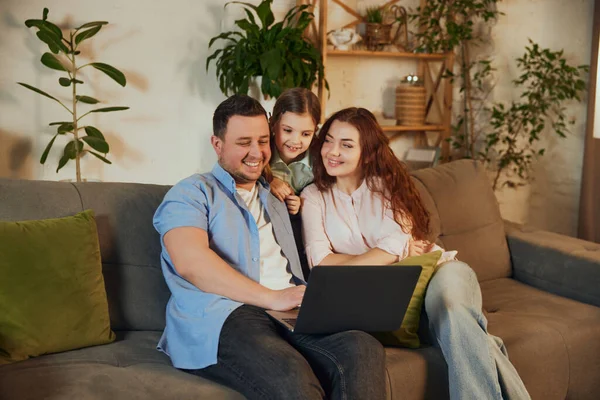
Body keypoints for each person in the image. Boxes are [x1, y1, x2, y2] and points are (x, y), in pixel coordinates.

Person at [152, 96, 386, 400]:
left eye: (263, 141)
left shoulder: (277, 194)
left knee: (362, 347)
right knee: (292, 376)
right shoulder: (191, 192)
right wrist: (272, 298)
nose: (256, 152)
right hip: (228, 314)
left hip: (293, 309)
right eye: (243, 142)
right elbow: (190, 262)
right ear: (217, 143)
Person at [300, 107, 531, 400]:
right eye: (328, 140)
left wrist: (368, 258)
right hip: (387, 295)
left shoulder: (388, 188)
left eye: (346, 145)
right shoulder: (313, 198)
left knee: (451, 308)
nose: (331, 151)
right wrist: (387, 254)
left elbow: (396, 244)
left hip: (437, 272)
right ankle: (482, 341)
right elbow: (321, 264)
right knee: (468, 336)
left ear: (368, 153)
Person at [265, 87, 321, 216]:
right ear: (273, 124)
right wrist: (269, 181)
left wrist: (300, 202)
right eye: (288, 131)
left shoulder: (317, 162)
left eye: (306, 134)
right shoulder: (262, 152)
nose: (296, 141)